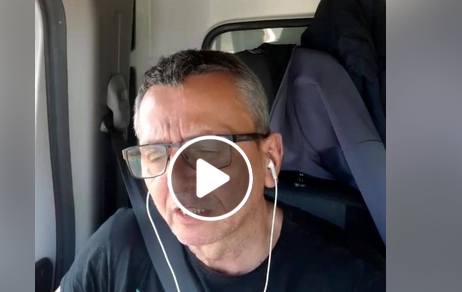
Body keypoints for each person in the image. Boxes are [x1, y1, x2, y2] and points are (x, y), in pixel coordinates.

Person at [59, 50, 385, 291]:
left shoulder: (355, 278)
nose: (179, 184)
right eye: (156, 155)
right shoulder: (119, 246)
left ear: (269, 158)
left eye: (208, 149)